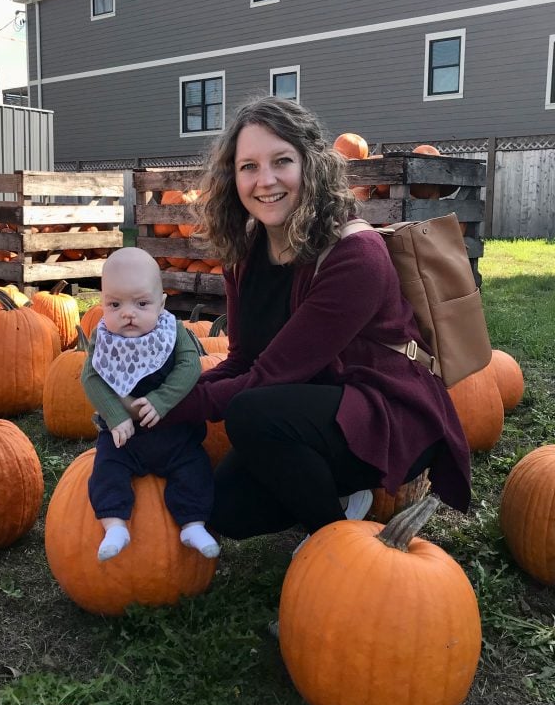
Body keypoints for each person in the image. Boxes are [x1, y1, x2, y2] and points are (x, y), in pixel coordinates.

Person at [160, 96, 471, 547]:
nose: (264, 181)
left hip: (385, 409)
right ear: (232, 177)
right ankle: (344, 494)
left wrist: (171, 410)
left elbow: (269, 377)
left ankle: (337, 541)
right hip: (310, 402)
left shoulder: (354, 255)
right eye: (248, 166)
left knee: (249, 414)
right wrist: (165, 397)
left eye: (281, 161)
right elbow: (243, 359)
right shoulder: (245, 252)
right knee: (225, 508)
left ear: (311, 165)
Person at [81, 247, 220, 562]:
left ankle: (192, 523)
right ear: (102, 303)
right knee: (106, 469)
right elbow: (92, 377)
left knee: (194, 466)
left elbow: (189, 367)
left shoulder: (173, 333)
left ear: (162, 304)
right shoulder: (102, 339)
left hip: (172, 432)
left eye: (141, 304)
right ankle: (115, 524)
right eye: (115, 304)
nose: (127, 313)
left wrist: (161, 399)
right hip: (125, 438)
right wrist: (116, 416)